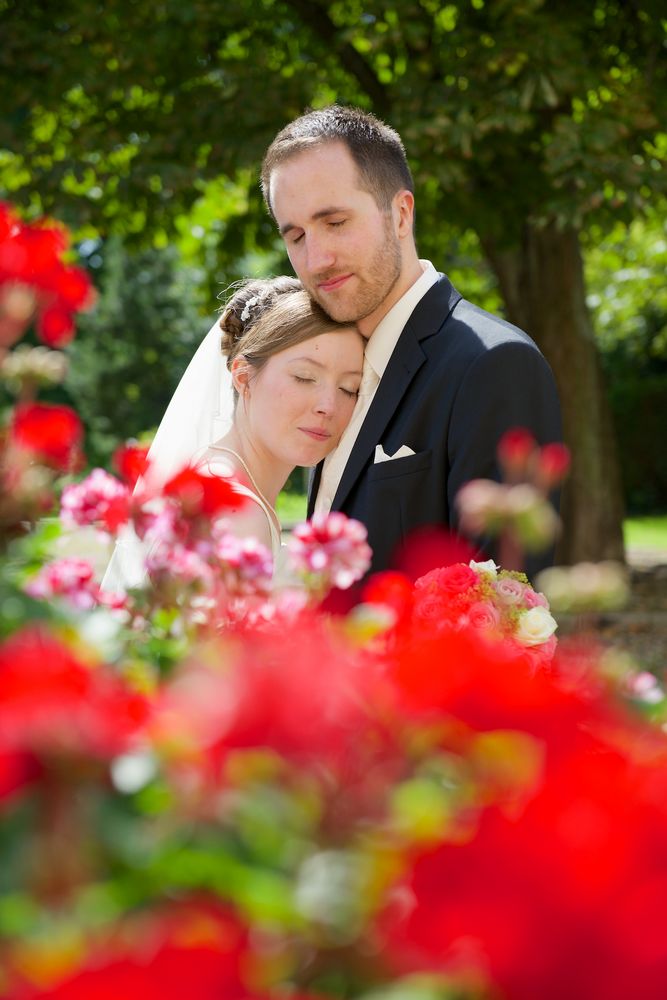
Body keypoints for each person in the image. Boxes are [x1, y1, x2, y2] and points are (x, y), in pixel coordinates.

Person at [260, 105, 562, 576]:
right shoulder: (335, 373)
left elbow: (505, 605)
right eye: (295, 235)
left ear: (400, 214)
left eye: (336, 222)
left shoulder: (493, 364)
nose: (316, 258)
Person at [101, 277, 364, 589]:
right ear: (243, 376)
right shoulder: (240, 518)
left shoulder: (217, 478)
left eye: (350, 388)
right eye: (304, 377)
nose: (328, 405)